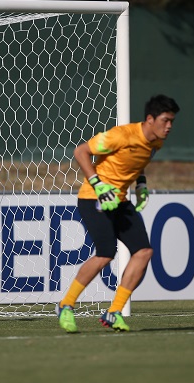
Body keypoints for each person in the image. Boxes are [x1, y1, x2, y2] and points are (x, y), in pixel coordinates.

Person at [56, 94, 180, 333]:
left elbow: (138, 161)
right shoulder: (121, 135)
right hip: (94, 198)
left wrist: (141, 184)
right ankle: (66, 305)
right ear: (150, 119)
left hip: (119, 200)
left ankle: (114, 312)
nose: (169, 126)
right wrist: (98, 184)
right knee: (105, 254)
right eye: (165, 120)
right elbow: (81, 151)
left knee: (143, 252)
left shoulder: (156, 142)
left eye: (172, 121)